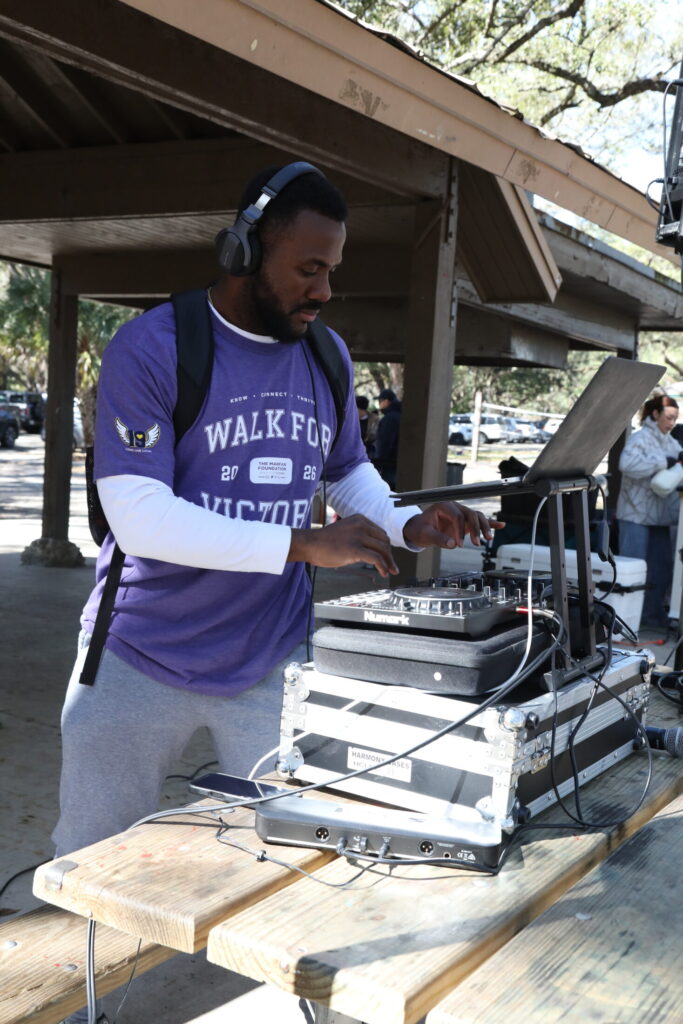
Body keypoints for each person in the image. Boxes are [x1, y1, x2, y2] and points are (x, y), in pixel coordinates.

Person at [53, 164, 501, 1022]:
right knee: (93, 865)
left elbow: (348, 475)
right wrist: (303, 543)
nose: (325, 291)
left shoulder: (324, 358)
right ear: (246, 248)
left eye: (332, 270)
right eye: (308, 268)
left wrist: (409, 526)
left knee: (291, 859)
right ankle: (82, 1011)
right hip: (138, 651)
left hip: (268, 657)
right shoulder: (153, 348)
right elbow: (138, 516)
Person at [617, 394, 683, 630]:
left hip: (660, 517)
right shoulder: (640, 438)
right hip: (635, 515)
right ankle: (625, 621)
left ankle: (651, 616)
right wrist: (661, 462)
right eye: (669, 417)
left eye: (675, 418)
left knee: (661, 568)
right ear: (655, 414)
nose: (672, 423)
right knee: (633, 570)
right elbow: (627, 465)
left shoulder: (670, 441)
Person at [373, 387, 402, 489]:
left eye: (380, 401)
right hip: (398, 463)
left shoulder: (390, 418)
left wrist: (378, 461)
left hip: (389, 464)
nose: (379, 404)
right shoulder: (400, 415)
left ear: (386, 401)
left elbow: (385, 442)